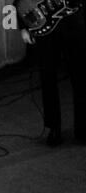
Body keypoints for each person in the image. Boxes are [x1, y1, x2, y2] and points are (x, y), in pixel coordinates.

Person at [15, 1, 86, 146]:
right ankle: (54, 128)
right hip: (43, 23)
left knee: (81, 76)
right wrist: (23, 26)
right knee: (47, 77)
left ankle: (83, 128)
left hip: (72, 20)